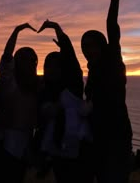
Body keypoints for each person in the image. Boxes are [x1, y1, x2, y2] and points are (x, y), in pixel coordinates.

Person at [81, 0, 133, 183]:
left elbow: (112, 25)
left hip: (117, 134)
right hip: (97, 134)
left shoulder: (112, 61)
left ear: (102, 46)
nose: (91, 50)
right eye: (87, 46)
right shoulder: (91, 72)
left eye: (94, 45)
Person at [37, 20, 93, 183]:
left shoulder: (72, 87)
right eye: (48, 66)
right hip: (57, 153)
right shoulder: (44, 91)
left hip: (80, 151)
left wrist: (56, 28)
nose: (52, 69)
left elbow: (71, 61)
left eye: (57, 66)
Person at [0, 23, 39, 183]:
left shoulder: (37, 85)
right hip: (5, 144)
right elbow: (6, 56)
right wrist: (16, 31)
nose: (30, 63)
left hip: (25, 145)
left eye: (33, 60)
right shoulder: (8, 80)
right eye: (25, 59)